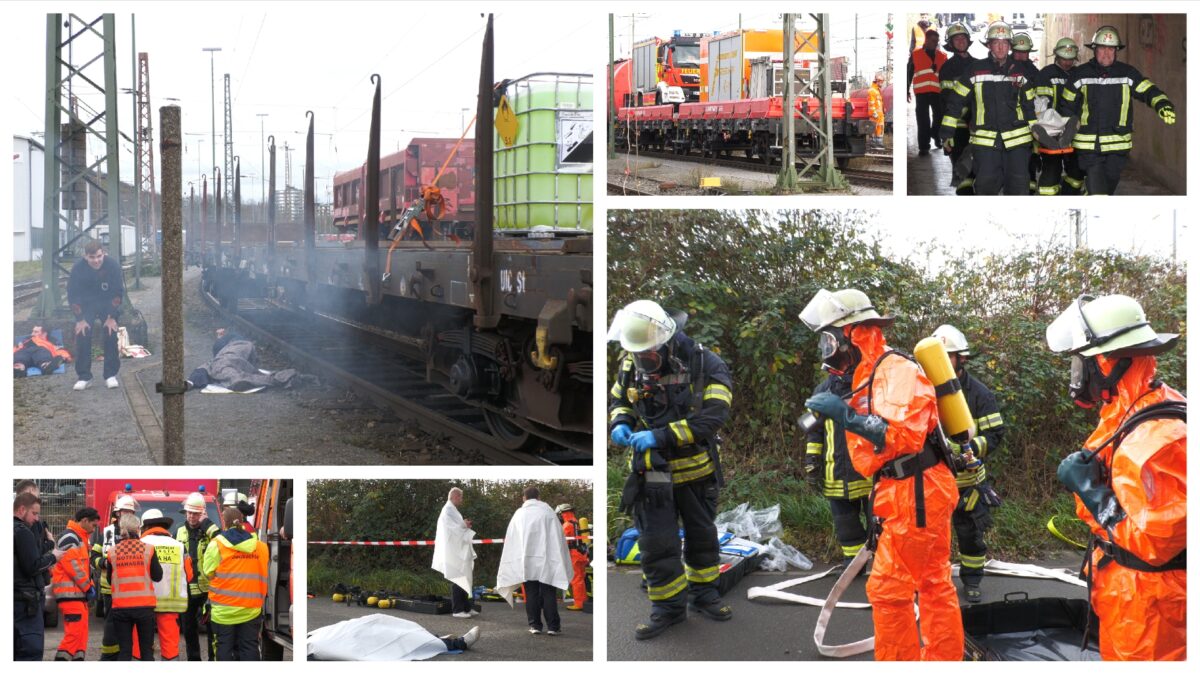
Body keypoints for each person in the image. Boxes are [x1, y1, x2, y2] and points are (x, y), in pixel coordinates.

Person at [801, 288, 963, 660]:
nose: (828, 351)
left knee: (889, 590)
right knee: (933, 583)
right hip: (911, 487)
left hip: (915, 489)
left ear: (853, 334)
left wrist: (846, 417)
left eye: (830, 340)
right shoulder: (870, 372)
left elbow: (903, 435)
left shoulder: (896, 369)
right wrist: (845, 410)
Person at [1046, 294, 1185, 660]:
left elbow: (1158, 543)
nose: (1078, 376)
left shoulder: (1157, 438)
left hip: (1153, 610)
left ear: (1108, 364)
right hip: (1129, 594)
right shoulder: (1136, 410)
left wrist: (1092, 491)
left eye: (1081, 365)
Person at [607, 299, 734, 640]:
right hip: (653, 474)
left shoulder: (706, 364)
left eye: (649, 355)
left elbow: (712, 418)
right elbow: (619, 400)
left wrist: (660, 435)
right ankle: (668, 609)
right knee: (657, 543)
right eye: (638, 355)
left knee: (702, 538)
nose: (643, 362)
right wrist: (620, 422)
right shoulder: (632, 363)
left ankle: (705, 595)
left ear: (666, 343)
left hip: (695, 471)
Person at [931, 325, 1005, 603]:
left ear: (961, 358)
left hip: (969, 484)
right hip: (933, 481)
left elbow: (996, 434)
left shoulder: (980, 394)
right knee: (930, 538)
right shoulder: (924, 391)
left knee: (971, 536)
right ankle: (931, 585)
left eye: (946, 356)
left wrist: (970, 448)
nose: (939, 364)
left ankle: (972, 581)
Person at [1057, 26, 1177, 195]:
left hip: (1117, 147)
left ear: (1116, 51)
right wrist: (1067, 133)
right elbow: (1066, 106)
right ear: (1094, 49)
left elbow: (1147, 90)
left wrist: (1162, 104)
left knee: (1107, 189)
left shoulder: (1127, 74)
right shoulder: (1080, 75)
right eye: (1102, 48)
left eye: (1111, 49)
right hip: (1089, 146)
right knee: (1098, 191)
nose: (1106, 53)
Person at [940, 21, 1036, 195]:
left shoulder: (1020, 71)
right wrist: (947, 133)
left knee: (1018, 189)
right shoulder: (975, 71)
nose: (1000, 47)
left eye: (1004, 43)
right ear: (989, 45)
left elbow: (1029, 104)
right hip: (986, 144)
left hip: (1018, 144)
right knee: (986, 189)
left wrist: (1035, 132)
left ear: (1009, 46)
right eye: (996, 43)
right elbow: (955, 102)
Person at [804, 369, 872, 567]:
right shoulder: (823, 390)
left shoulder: (870, 385)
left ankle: (885, 566)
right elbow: (813, 432)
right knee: (846, 525)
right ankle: (853, 564)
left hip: (869, 473)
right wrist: (812, 463)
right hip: (836, 473)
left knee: (879, 524)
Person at [495, 487, 573, 636]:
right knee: (548, 592)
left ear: (524, 498)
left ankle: (535, 625)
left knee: (531, 593)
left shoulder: (519, 515)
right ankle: (553, 627)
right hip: (547, 559)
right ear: (538, 497)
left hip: (527, 561)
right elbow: (558, 537)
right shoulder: (548, 512)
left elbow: (512, 540)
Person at [203, 506, 270, 661]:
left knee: (224, 647)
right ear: (242, 521)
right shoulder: (260, 547)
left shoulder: (216, 544)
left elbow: (208, 572)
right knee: (250, 647)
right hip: (251, 609)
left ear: (224, 524)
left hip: (223, 611)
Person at [14, 492, 67, 660]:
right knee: (30, 652)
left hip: (19, 600)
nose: (37, 518)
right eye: (34, 513)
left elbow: (29, 556)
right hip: (25, 603)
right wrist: (54, 556)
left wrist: (49, 545)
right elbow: (32, 565)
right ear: (22, 509)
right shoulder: (22, 531)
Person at [67, 240, 125, 391]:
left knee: (110, 332)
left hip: (108, 303)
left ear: (103, 253)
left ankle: (110, 375)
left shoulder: (112, 266)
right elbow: (73, 295)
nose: (96, 260)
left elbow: (118, 293)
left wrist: (112, 316)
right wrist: (80, 319)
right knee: (82, 333)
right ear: (86, 257)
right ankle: (85, 376)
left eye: (99, 256)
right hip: (87, 304)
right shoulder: (78, 269)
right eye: (92, 257)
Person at [105, 512, 162, 661]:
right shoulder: (148, 549)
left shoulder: (112, 552)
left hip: (120, 608)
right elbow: (158, 576)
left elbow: (110, 580)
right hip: (144, 608)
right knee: (146, 652)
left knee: (125, 651)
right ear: (138, 529)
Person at [137, 509, 192, 661]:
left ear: (145, 527)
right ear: (164, 526)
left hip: (143, 601)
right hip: (171, 602)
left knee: (141, 642)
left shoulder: (140, 544)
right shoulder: (179, 546)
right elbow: (190, 575)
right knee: (170, 645)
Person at [1031, 38, 1085, 195]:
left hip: (1074, 128)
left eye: (1070, 59)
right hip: (1052, 127)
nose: (1067, 63)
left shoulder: (1079, 74)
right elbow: (1042, 104)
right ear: (1056, 56)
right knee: (1051, 169)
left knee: (1076, 172)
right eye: (1064, 59)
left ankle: (1069, 197)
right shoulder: (1046, 74)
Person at [307, 614, 480, 661]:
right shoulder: (310, 651)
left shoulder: (309, 637)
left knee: (378, 622)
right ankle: (456, 643)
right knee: (382, 638)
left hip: (335, 633)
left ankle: (430, 638)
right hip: (339, 642)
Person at [51, 507, 101, 660]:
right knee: (74, 635)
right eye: (93, 525)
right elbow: (73, 566)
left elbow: (82, 568)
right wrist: (88, 586)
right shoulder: (70, 537)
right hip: (71, 595)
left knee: (80, 636)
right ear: (84, 521)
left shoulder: (78, 537)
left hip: (76, 595)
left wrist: (88, 586)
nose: (94, 529)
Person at [93, 493, 138, 660]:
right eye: (124, 511)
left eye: (130, 512)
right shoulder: (106, 533)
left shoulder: (136, 532)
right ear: (117, 513)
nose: (127, 514)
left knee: (128, 626)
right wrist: (104, 563)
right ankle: (109, 657)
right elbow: (94, 555)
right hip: (110, 588)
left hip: (131, 589)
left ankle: (125, 656)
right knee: (111, 625)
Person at [176, 492, 219, 661]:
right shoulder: (179, 532)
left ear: (202, 514)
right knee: (188, 630)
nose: (192, 516)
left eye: (196, 513)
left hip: (208, 590)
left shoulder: (210, 530)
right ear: (185, 512)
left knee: (211, 629)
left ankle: (212, 661)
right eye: (190, 512)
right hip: (186, 590)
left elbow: (222, 541)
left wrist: (207, 525)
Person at [937, 22, 976, 194]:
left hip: (979, 127)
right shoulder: (947, 68)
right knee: (962, 171)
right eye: (956, 38)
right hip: (957, 126)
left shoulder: (978, 65)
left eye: (963, 37)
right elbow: (946, 100)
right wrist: (945, 134)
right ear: (951, 43)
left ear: (968, 40)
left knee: (978, 168)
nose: (960, 41)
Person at [432, 487, 478, 619]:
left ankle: (466, 607)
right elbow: (450, 530)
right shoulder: (448, 510)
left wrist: (464, 525)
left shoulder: (452, 510)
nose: (461, 500)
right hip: (454, 551)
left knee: (465, 577)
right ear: (454, 496)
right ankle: (457, 610)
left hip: (458, 549)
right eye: (460, 497)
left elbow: (456, 527)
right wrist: (464, 524)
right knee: (458, 578)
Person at [1010, 33, 1042, 194]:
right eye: (1018, 52)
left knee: (1030, 155)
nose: (1021, 55)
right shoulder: (1006, 67)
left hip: (1029, 119)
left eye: (1025, 52)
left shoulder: (1034, 72)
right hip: (1010, 121)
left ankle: (1030, 183)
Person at [908, 28, 946, 156]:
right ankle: (924, 146)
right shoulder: (916, 54)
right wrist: (906, 90)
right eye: (933, 40)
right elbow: (909, 73)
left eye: (937, 41)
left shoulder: (942, 56)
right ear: (927, 40)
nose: (935, 43)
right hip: (921, 92)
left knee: (939, 117)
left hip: (937, 91)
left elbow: (946, 75)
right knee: (923, 120)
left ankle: (936, 134)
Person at [555, 504, 590, 610]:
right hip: (581, 554)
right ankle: (583, 601)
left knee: (576, 579)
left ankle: (579, 604)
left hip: (574, 555)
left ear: (562, 513)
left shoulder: (567, 525)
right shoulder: (576, 522)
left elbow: (562, 541)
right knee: (580, 578)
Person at [868, 74, 886, 150]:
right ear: (876, 81)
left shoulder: (877, 91)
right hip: (875, 115)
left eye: (882, 81)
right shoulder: (872, 91)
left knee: (880, 128)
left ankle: (878, 143)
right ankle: (873, 143)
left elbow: (879, 103)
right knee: (874, 128)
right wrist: (874, 113)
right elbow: (871, 103)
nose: (882, 83)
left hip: (880, 115)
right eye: (880, 81)